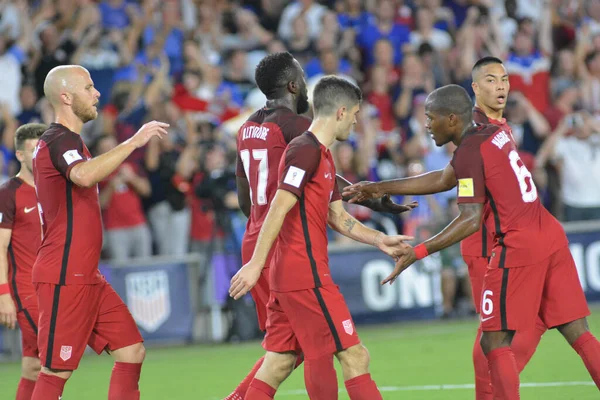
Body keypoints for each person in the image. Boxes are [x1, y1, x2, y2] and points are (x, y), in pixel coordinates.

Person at [350, 84, 600, 399]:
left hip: (520, 245)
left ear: (452, 119)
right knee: (579, 334)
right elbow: (443, 179)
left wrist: (419, 251)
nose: (426, 125)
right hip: (550, 234)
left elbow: (469, 219)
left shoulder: (469, 151)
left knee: (492, 342)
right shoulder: (487, 134)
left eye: (431, 118)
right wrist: (378, 187)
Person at [227, 52, 415, 400]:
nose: (308, 97)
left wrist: (379, 238)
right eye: (355, 116)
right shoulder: (302, 135)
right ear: (294, 85)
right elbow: (294, 193)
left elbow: (247, 199)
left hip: (262, 241)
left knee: (283, 356)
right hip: (290, 254)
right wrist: (373, 196)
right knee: (329, 352)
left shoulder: (248, 127)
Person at [30, 65, 168, 400]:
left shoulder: (69, 141)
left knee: (131, 351)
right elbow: (83, 176)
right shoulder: (58, 140)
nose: (97, 93)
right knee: (55, 370)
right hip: (65, 273)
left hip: (85, 273)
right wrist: (134, 142)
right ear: (65, 96)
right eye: (88, 87)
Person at [0, 123, 47, 400]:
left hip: (53, 285)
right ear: (19, 155)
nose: (38, 156)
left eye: (42, 149)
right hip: (26, 290)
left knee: (32, 367)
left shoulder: (53, 187)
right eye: (32, 150)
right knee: (51, 360)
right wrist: (4, 294)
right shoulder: (8, 194)